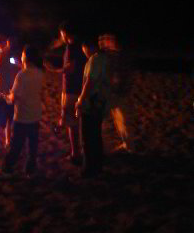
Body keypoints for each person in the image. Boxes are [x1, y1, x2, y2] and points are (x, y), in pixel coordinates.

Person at [0, 45, 43, 179]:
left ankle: (7, 170)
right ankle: (31, 171)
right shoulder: (40, 73)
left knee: (16, 146)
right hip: (35, 114)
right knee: (32, 146)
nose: (21, 56)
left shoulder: (21, 75)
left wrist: (4, 95)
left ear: (25, 57)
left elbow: (13, 98)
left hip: (22, 116)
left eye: (23, 54)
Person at [43, 22, 85, 164]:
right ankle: (84, 151)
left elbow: (70, 69)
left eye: (61, 33)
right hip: (80, 87)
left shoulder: (72, 47)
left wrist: (53, 70)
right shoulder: (79, 45)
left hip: (71, 89)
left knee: (71, 122)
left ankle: (75, 154)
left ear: (65, 33)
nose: (60, 36)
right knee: (80, 121)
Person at [75, 39, 111, 178]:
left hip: (91, 103)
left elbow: (89, 82)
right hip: (101, 102)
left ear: (87, 46)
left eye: (84, 48)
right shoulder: (105, 59)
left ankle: (88, 170)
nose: (83, 51)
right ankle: (98, 166)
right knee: (96, 136)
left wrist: (80, 100)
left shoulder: (94, 60)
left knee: (87, 138)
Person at [99, 33, 135, 152]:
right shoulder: (109, 55)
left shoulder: (120, 56)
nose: (103, 42)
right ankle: (124, 145)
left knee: (121, 120)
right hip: (113, 92)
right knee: (116, 120)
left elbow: (123, 76)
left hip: (118, 93)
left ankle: (127, 145)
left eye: (106, 39)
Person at [0, 34, 18, 148]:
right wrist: (7, 48)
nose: (8, 45)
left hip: (9, 93)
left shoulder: (10, 56)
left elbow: (19, 65)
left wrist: (18, 63)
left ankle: (8, 141)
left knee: (9, 119)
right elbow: (0, 61)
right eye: (5, 43)